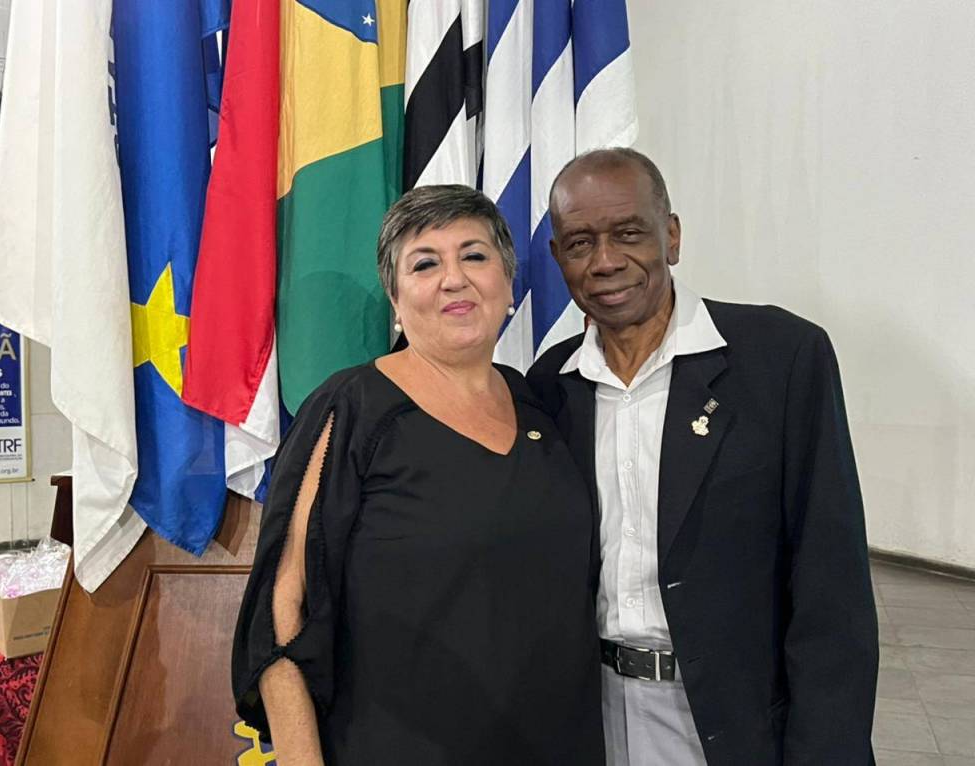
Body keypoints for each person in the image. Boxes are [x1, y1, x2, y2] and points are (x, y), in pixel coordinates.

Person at [527, 148, 879, 765]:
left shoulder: (780, 358)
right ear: (558, 258)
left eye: (628, 233)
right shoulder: (551, 386)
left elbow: (832, 584)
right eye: (580, 243)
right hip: (591, 718)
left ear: (672, 236)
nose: (605, 261)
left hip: (734, 721)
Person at [231, 185, 605, 766]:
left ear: (509, 282)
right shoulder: (352, 407)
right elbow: (285, 607)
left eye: (474, 255)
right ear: (396, 298)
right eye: (425, 264)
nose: (454, 279)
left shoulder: (543, 405)